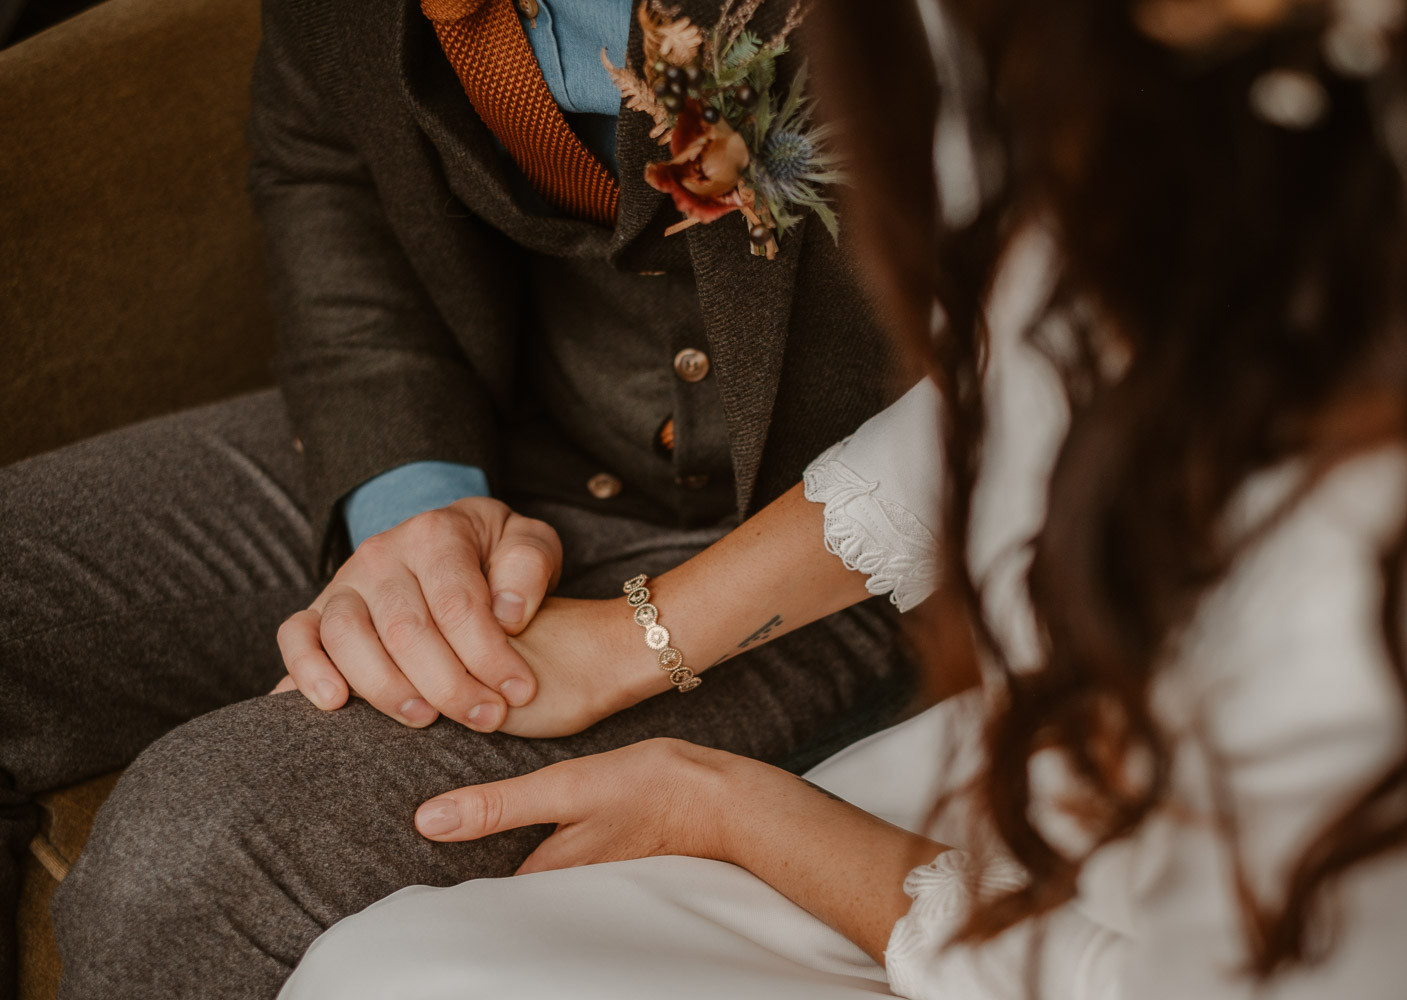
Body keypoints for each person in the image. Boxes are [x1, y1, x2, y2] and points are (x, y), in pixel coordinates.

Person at [279, 0, 1407, 996]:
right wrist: (642, 634)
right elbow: (1027, 366)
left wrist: (745, 809)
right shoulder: (1164, 104)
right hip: (1047, 776)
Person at [0, 1, 921, 998]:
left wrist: (637, 638)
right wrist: (412, 505)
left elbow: (1049, 376)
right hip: (505, 424)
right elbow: (327, 161)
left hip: (840, 557)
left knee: (198, 850)